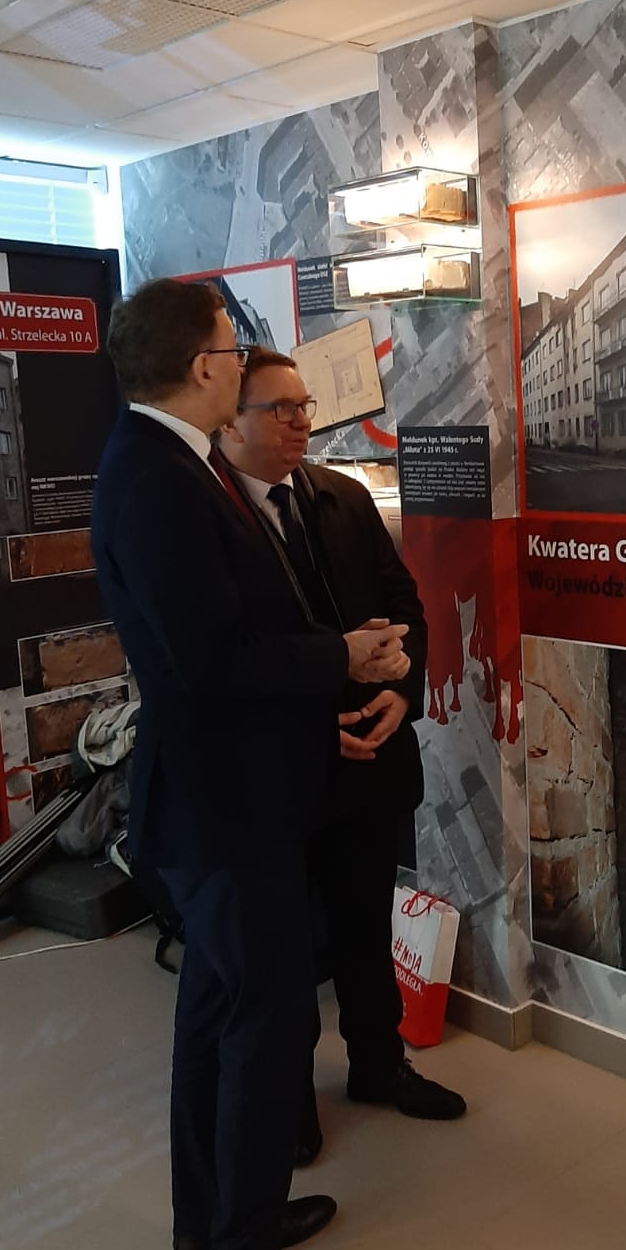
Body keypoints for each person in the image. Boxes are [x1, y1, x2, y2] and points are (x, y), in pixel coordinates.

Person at [91, 279, 410, 1250]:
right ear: (201, 367)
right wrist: (342, 657)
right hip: (225, 812)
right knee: (265, 1028)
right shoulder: (157, 479)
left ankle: (214, 1221)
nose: (243, 360)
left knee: (218, 1015)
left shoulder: (174, 464)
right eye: (234, 348)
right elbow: (212, 660)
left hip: (232, 799)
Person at [217, 347, 465, 1152]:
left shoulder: (343, 497)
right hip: (280, 770)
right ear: (229, 420)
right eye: (280, 408)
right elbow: (221, 659)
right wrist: (302, 724)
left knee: (363, 926)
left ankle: (379, 1064)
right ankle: (287, 1102)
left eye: (305, 405)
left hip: (370, 757)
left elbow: (404, 604)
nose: (301, 422)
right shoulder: (211, 517)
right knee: (286, 951)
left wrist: (403, 689)